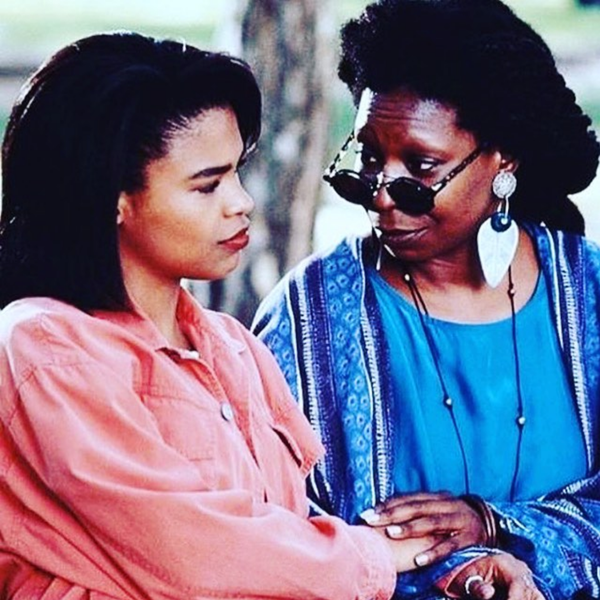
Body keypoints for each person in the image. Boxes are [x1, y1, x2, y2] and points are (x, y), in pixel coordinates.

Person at [0, 30, 482, 600]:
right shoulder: (44, 347)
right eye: (207, 186)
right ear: (113, 199)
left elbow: (288, 530)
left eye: (237, 173)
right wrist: (370, 556)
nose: (242, 202)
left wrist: (443, 569)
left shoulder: (233, 345)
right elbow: (190, 550)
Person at [252, 1, 600, 599]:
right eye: (369, 159)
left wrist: (494, 525)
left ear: (503, 160)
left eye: (420, 166)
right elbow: (269, 529)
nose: (382, 195)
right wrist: (452, 570)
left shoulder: (588, 291)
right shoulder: (308, 318)